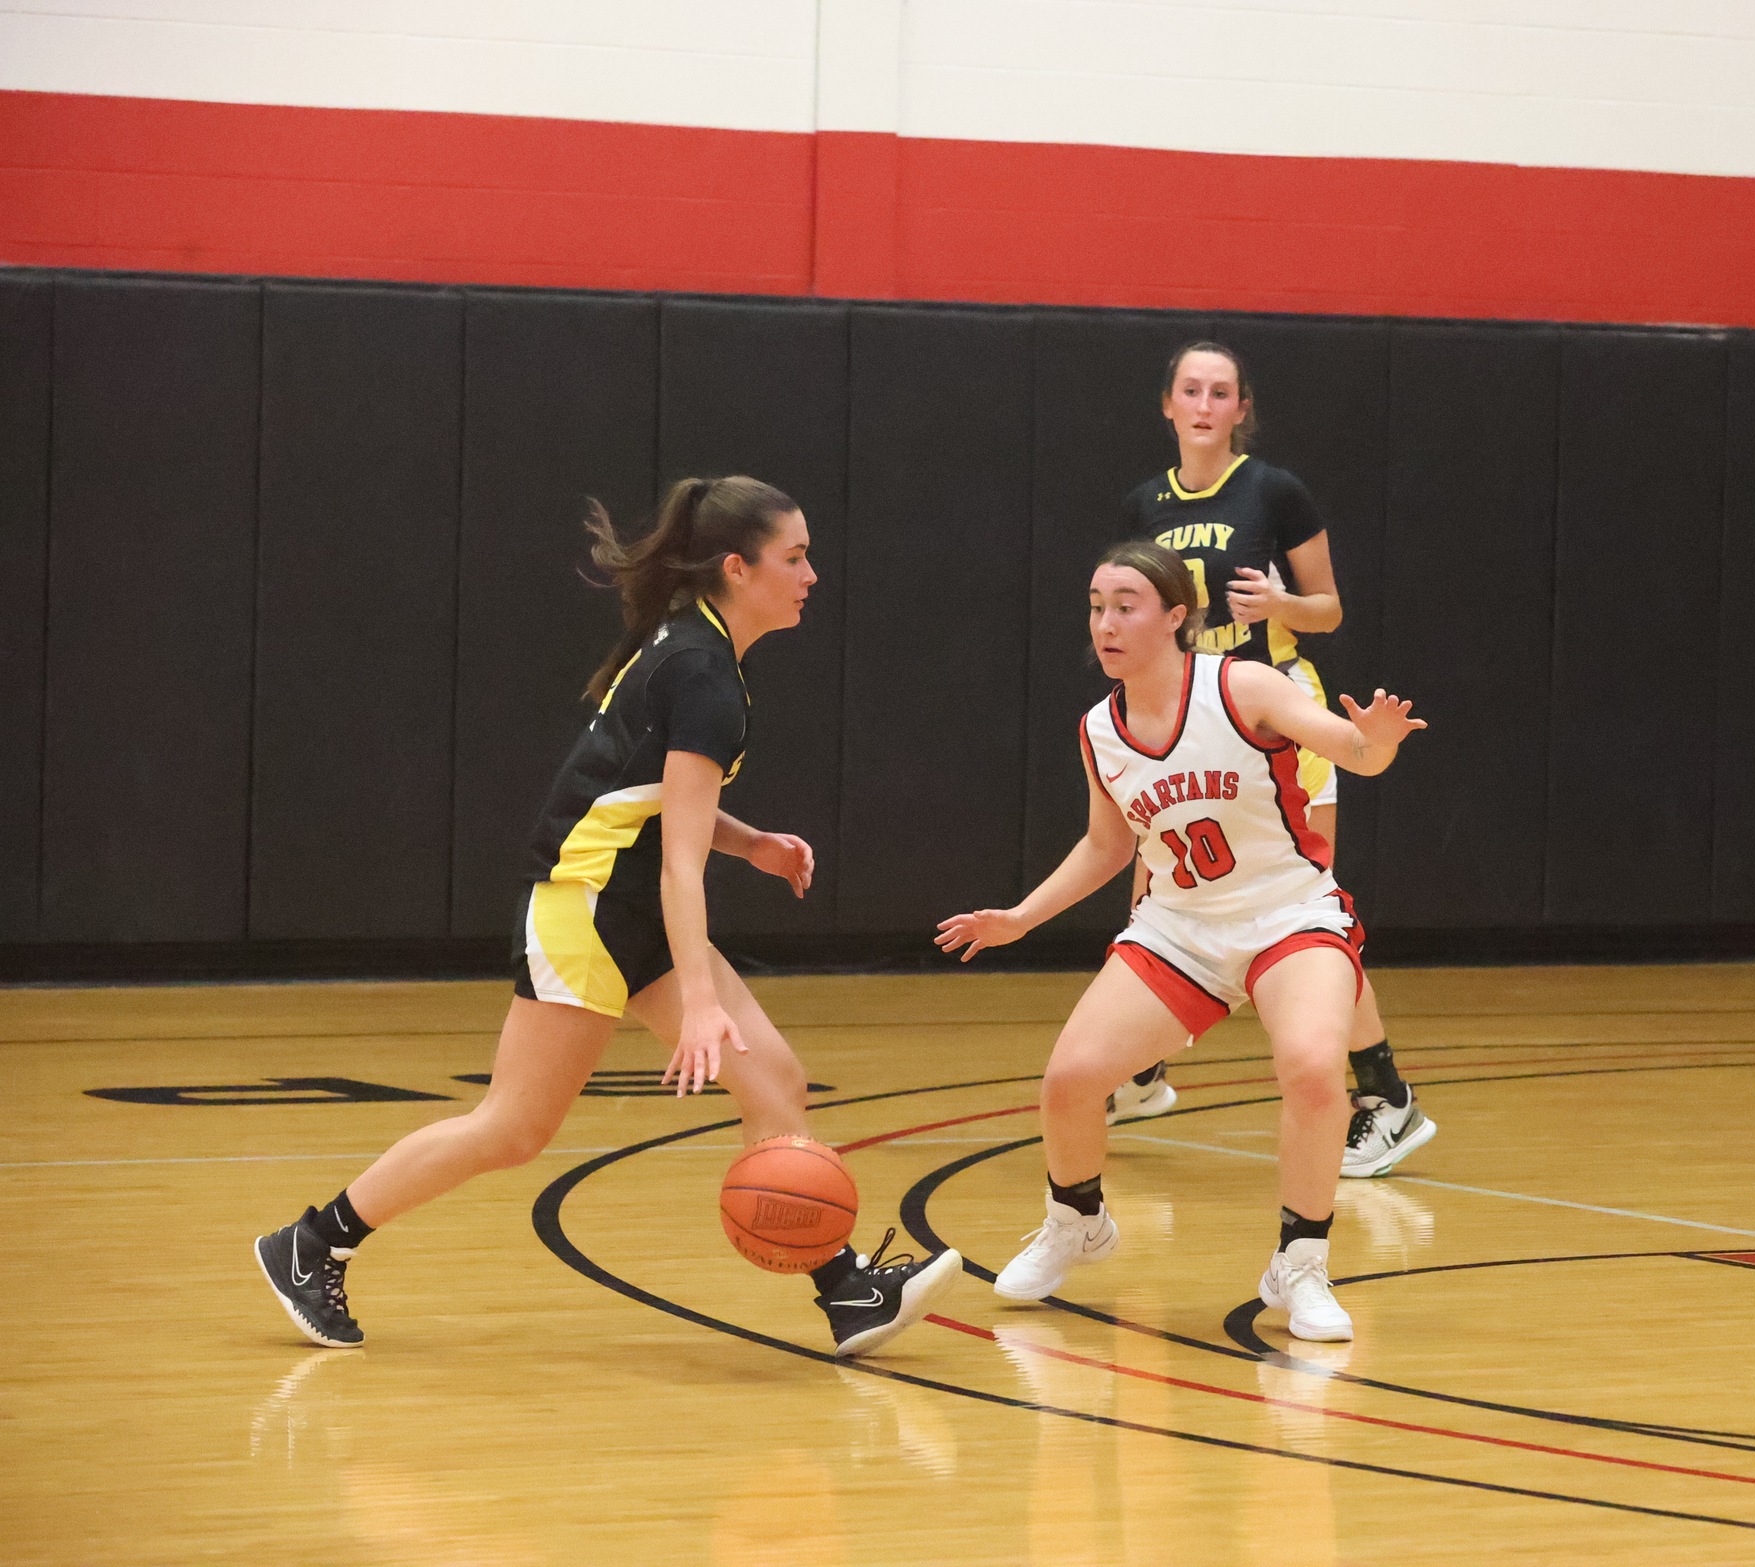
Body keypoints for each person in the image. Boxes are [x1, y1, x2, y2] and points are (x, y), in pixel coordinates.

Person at [253, 477, 960, 1358]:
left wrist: (753, 845)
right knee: (512, 1129)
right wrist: (698, 1001)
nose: (813, 572)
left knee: (771, 1077)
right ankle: (313, 1241)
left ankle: (845, 1289)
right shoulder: (703, 672)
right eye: (796, 556)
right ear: (738, 568)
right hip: (585, 906)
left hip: (627, 901)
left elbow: (655, 800)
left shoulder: (699, 650)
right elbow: (675, 859)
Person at [936, 541, 1425, 1341]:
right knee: (1069, 1079)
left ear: (1174, 617)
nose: (1105, 623)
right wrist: (1019, 917)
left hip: (1287, 913)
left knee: (1309, 1069)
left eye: (1125, 605)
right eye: (1096, 606)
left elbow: (1352, 753)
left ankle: (1299, 1262)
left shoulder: (1241, 686)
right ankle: (1077, 1221)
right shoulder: (1100, 728)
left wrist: (1377, 741)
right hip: (1181, 928)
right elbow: (1105, 846)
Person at [1111, 340, 1437, 1180]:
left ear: (1239, 407)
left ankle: (1386, 1096)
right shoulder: (1144, 502)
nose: (1205, 404)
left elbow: (1327, 609)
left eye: (1221, 391)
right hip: (1193, 714)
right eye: (1191, 389)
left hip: (1276, 710)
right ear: (1168, 405)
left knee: (1305, 907)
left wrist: (1283, 602)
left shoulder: (1273, 491)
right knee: (1160, 882)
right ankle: (1141, 1069)